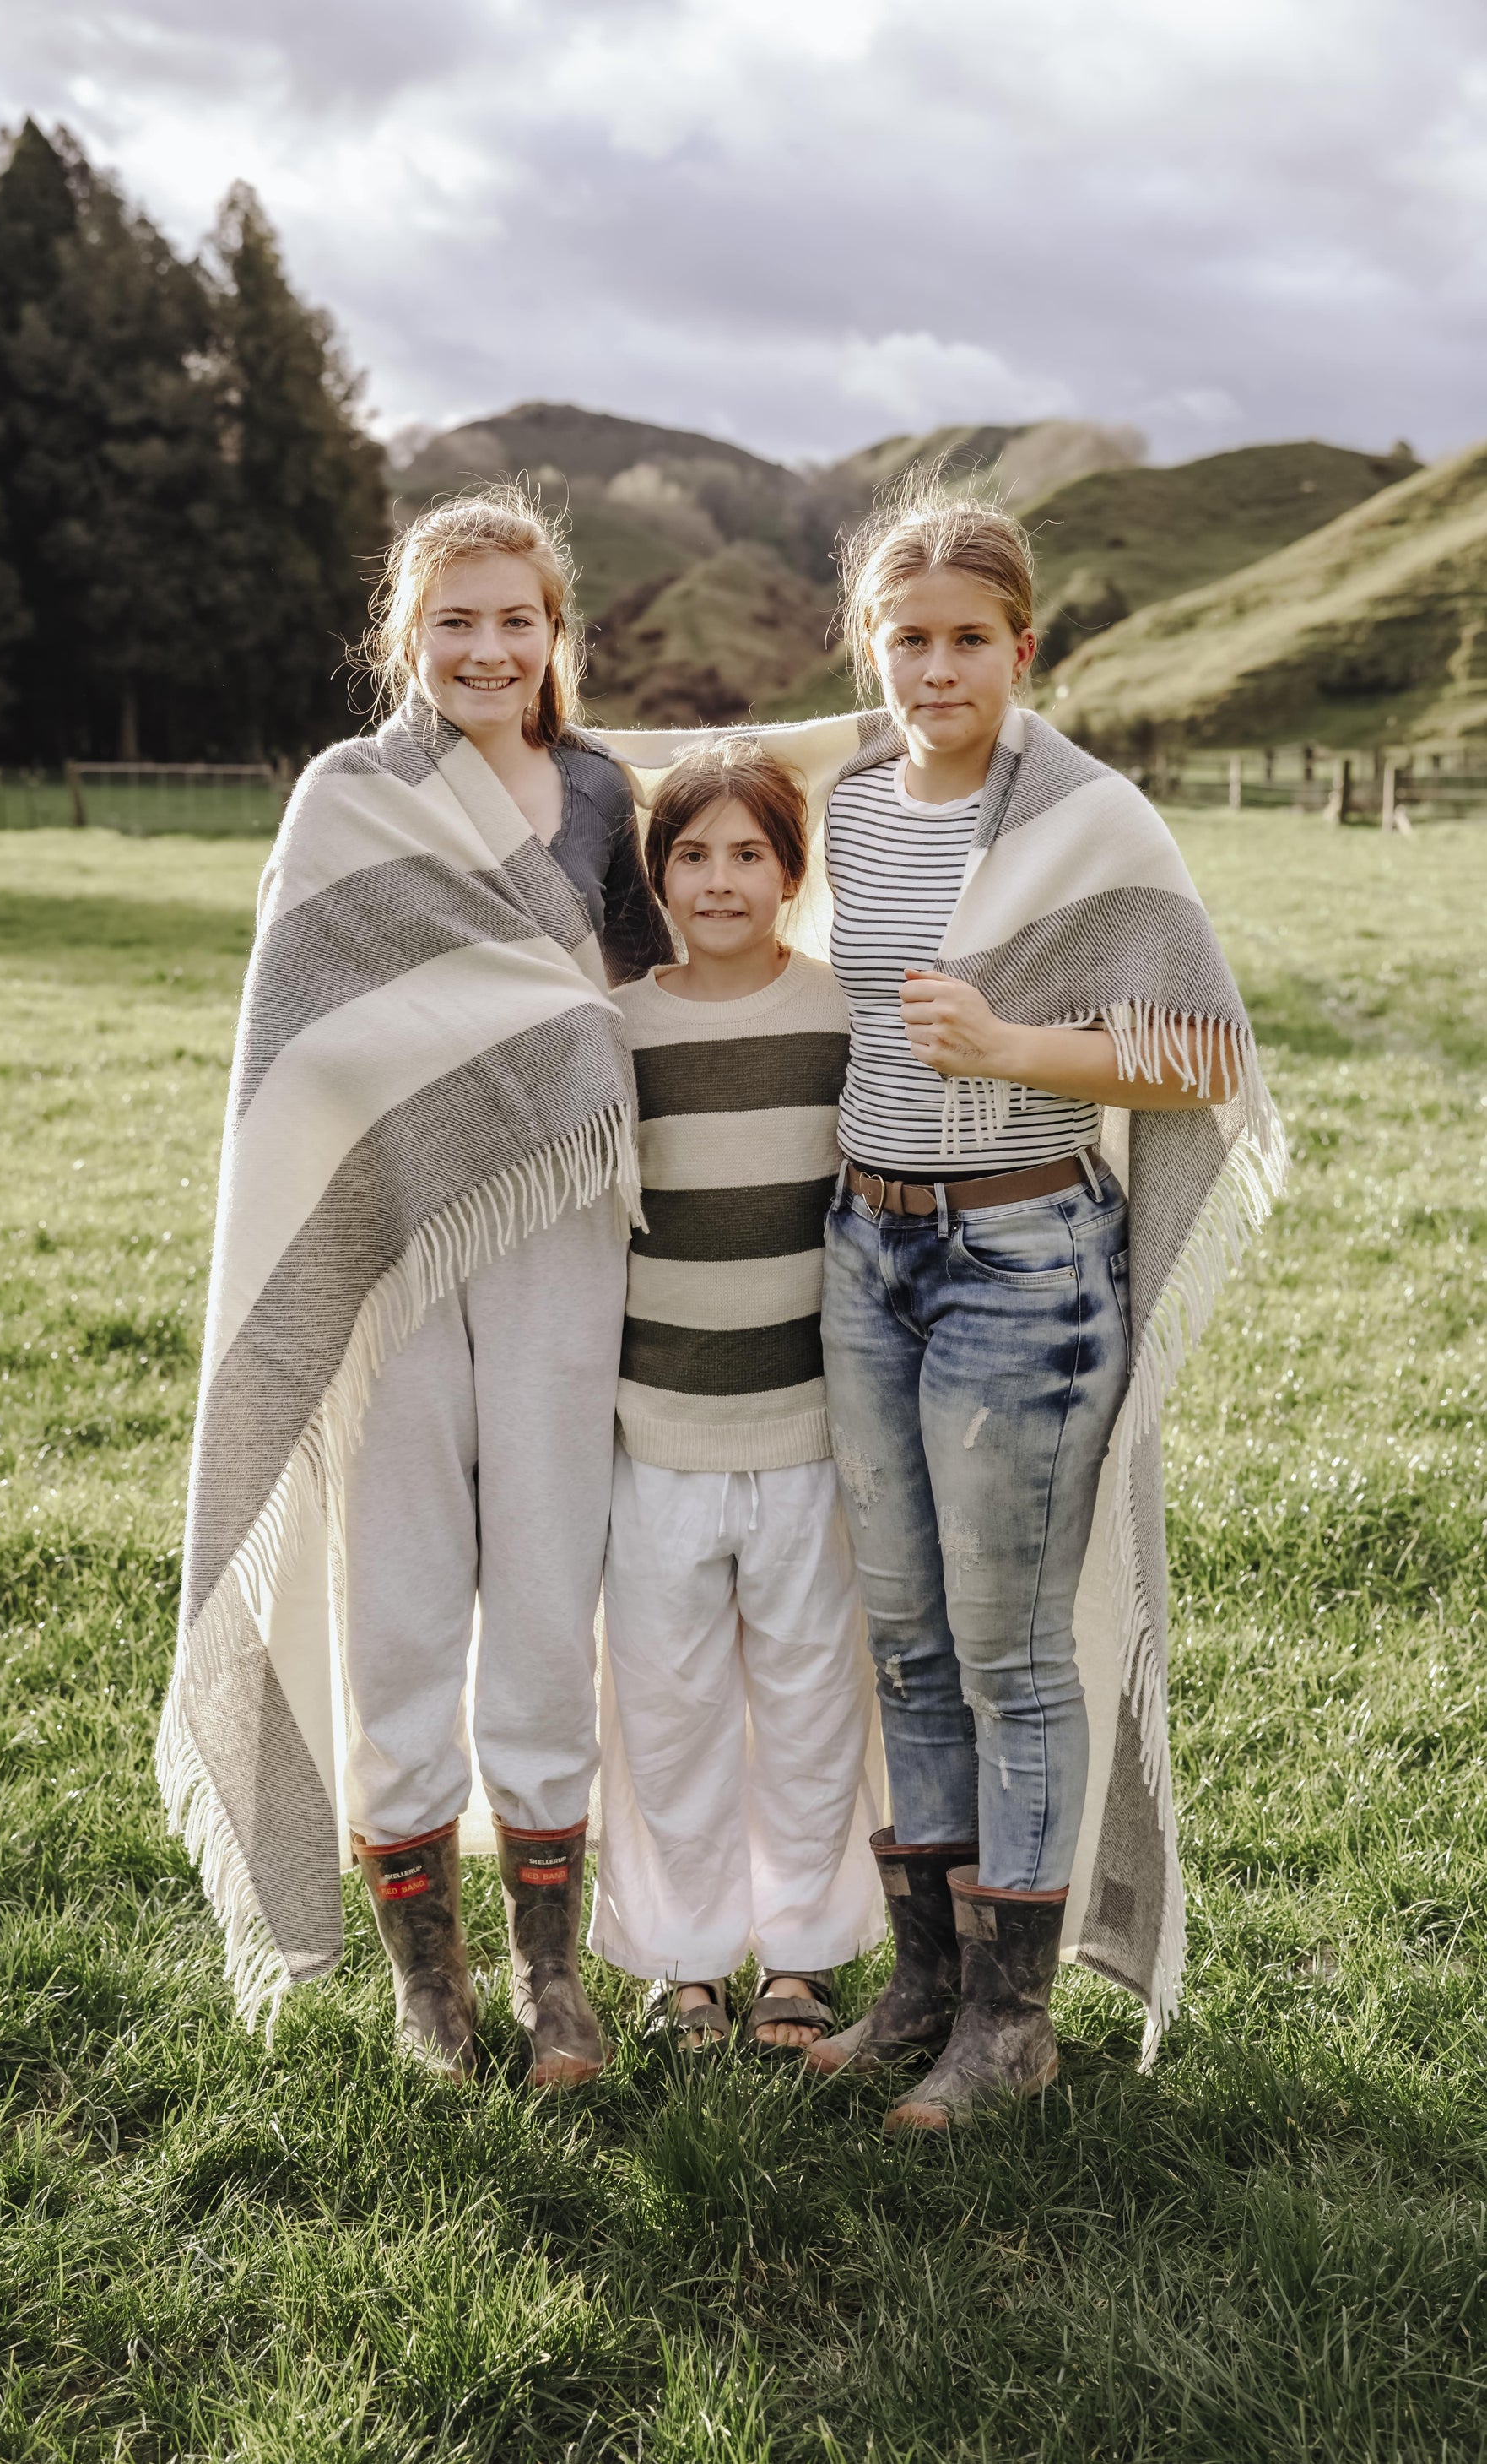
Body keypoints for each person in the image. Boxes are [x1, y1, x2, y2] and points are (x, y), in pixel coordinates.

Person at [160, 485, 671, 2082]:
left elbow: (633, 995)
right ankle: (425, 1988)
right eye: (456, 618)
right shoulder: (347, 798)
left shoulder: (597, 793)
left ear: (554, 637)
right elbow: (298, 1046)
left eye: (518, 619)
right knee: (391, 1600)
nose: (488, 646)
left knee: (541, 1586)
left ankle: (551, 1977)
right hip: (387, 1249)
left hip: (559, 1231)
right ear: (406, 632)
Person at [789, 490, 1270, 2126]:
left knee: (1007, 1653)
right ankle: (919, 1983)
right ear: (872, 647)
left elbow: (1205, 1057)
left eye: (966, 640)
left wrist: (1013, 1050)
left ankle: (1011, 2019)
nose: (934, 667)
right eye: (904, 638)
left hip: (1023, 1266)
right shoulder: (850, 808)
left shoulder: (1092, 819)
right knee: (906, 1646)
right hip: (864, 1253)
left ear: (1023, 648)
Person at [587, 742, 883, 2052]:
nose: (719, 880)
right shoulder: (616, 1027)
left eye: (748, 854)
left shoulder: (838, 1018)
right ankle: (683, 1963)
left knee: (815, 1700)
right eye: (691, 855)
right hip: (657, 1431)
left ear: (789, 871)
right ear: (655, 877)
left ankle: (801, 1958)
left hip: (808, 1429)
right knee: (666, 1703)